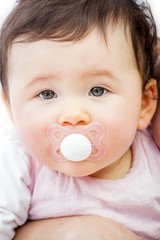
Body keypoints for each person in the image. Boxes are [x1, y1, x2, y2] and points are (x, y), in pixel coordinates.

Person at [0, 0, 160, 239]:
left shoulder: (153, 161)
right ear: (11, 109)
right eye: (47, 94)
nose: (73, 115)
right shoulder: (17, 164)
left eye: (98, 90)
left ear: (143, 105)